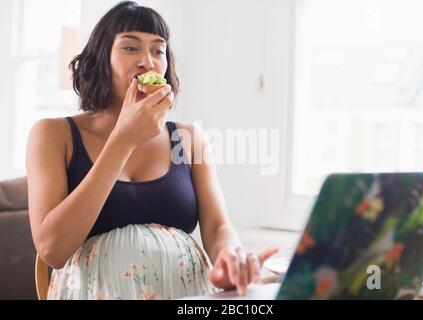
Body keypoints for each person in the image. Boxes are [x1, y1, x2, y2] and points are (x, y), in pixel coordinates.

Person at [26, 1, 278, 300]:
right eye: (131, 48)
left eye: (158, 50)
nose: (147, 61)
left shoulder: (189, 138)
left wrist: (230, 257)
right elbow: (53, 250)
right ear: (100, 59)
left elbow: (218, 227)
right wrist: (123, 141)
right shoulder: (53, 134)